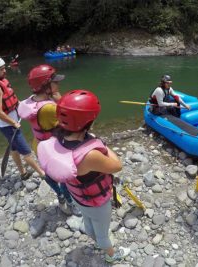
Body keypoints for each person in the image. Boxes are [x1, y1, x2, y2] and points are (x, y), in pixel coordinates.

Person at [37, 90, 130, 263]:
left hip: (79, 199)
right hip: (97, 203)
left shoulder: (58, 140)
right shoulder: (89, 155)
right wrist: (100, 143)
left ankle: (95, 241)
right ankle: (111, 256)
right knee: (103, 234)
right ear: (88, 122)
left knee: (89, 224)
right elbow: (117, 166)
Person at [17, 64, 78, 215]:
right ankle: (69, 201)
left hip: (38, 144)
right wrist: (61, 100)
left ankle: (59, 195)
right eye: (55, 82)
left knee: (49, 174)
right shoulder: (49, 108)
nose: (58, 84)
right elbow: (71, 121)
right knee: (64, 177)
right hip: (53, 148)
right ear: (45, 86)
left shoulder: (31, 101)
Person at [0, 57, 45, 180]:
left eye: (4, 68)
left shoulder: (2, 82)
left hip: (10, 124)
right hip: (8, 126)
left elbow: (13, 100)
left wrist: (23, 108)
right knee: (26, 152)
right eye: (2, 69)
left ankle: (23, 173)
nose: (5, 71)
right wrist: (14, 122)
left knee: (14, 149)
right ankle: (42, 174)